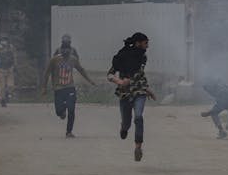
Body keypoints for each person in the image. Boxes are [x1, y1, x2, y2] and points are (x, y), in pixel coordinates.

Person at [107, 32, 157, 161]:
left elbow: (139, 76)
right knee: (127, 122)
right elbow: (110, 75)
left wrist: (147, 89)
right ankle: (124, 128)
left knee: (139, 117)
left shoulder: (143, 58)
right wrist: (120, 82)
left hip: (140, 92)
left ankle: (138, 147)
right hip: (125, 93)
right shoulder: (122, 57)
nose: (147, 46)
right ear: (138, 43)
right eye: (146, 43)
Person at [42, 38, 96, 138]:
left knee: (71, 110)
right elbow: (47, 73)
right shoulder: (55, 59)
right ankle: (62, 112)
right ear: (61, 50)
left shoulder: (73, 59)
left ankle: (69, 132)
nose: (65, 52)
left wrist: (90, 80)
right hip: (58, 89)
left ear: (70, 50)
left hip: (70, 88)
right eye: (64, 49)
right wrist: (44, 87)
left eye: (68, 49)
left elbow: (81, 70)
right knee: (59, 111)